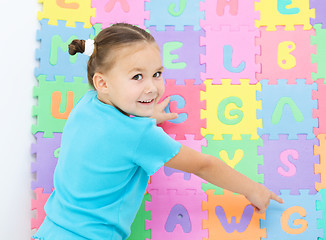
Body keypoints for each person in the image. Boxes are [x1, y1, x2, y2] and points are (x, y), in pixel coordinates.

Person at [33, 23, 283, 240]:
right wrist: (253, 189)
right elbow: (203, 165)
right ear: (103, 82)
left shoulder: (86, 105)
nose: (152, 87)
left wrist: (146, 116)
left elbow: (112, 135)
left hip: (50, 229)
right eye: (137, 77)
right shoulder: (139, 136)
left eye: (157, 74)